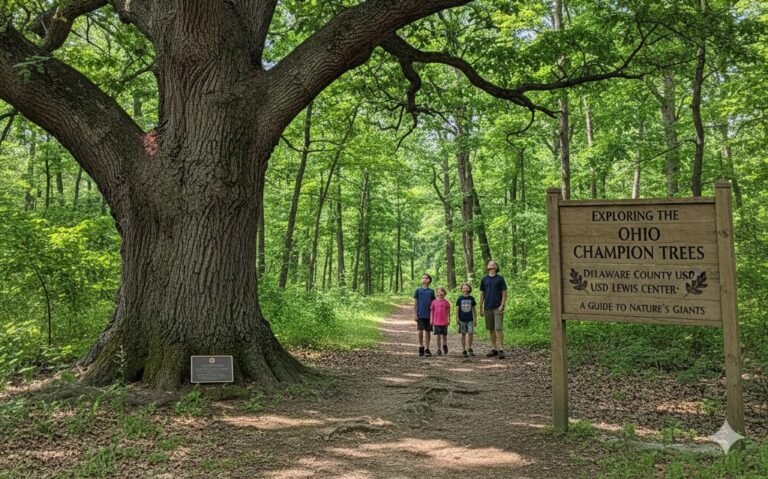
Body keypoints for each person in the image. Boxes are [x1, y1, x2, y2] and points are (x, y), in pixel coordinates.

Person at [479, 260, 507, 359]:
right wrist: (480, 307)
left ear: (496, 267)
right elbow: (482, 294)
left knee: (498, 328)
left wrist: (502, 305)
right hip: (487, 307)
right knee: (491, 329)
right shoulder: (484, 279)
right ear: (487, 267)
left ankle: (501, 349)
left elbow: (504, 293)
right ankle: (494, 348)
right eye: (490, 263)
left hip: (497, 306)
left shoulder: (500, 279)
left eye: (494, 263)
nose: (491, 264)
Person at [413, 273, 435, 357]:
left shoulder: (431, 291)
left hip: (429, 315)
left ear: (429, 280)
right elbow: (415, 304)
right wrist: (415, 314)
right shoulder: (418, 290)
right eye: (423, 278)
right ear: (421, 280)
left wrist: (433, 315)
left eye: (426, 278)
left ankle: (427, 348)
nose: (424, 279)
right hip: (420, 314)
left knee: (428, 332)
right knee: (420, 331)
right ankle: (421, 346)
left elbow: (433, 304)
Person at [455, 283, 477, 357]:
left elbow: (474, 310)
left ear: (469, 289)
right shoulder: (460, 298)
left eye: (466, 287)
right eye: (463, 288)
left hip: (470, 319)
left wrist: (475, 319)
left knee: (470, 333)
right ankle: (464, 349)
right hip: (462, 319)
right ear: (461, 289)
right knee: (463, 334)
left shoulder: (471, 298)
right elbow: (457, 309)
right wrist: (457, 318)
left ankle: (469, 348)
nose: (465, 289)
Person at [430, 287, 451, 356]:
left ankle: (444, 345)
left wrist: (448, 319)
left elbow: (448, 312)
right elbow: (432, 311)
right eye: (438, 292)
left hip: (444, 322)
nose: (440, 293)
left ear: (444, 293)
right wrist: (431, 319)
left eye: (442, 292)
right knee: (438, 335)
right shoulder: (434, 302)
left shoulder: (446, 302)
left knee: (444, 335)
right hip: (436, 322)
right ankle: (438, 349)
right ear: (436, 294)